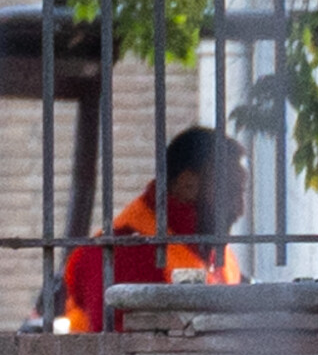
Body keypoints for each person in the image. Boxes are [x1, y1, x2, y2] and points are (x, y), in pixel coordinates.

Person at [61, 126, 248, 332]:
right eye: (230, 192)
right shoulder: (115, 253)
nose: (239, 208)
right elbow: (120, 354)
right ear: (187, 184)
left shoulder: (217, 254)